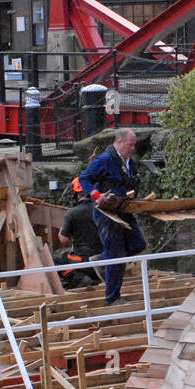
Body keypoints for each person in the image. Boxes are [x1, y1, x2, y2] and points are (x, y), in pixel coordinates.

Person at [77, 129, 147, 305]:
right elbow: (84, 179)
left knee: (138, 244)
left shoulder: (130, 162)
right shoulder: (105, 160)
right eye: (130, 145)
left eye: (133, 145)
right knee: (116, 256)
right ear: (120, 142)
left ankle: (102, 259)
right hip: (107, 213)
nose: (133, 148)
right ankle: (113, 298)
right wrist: (96, 195)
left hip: (124, 209)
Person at [56, 177, 103, 288]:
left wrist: (61, 231)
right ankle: (94, 278)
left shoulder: (72, 213)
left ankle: (81, 278)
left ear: (76, 193)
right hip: (104, 258)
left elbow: (64, 239)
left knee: (56, 259)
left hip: (84, 260)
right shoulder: (101, 209)